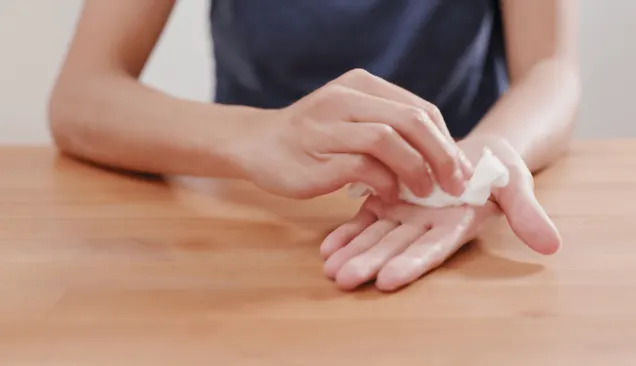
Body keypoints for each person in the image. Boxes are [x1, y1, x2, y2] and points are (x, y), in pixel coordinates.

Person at [49, 0, 580, 292]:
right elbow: (81, 95)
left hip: (447, 226)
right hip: (248, 225)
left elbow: (551, 69)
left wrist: (486, 154)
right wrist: (254, 137)